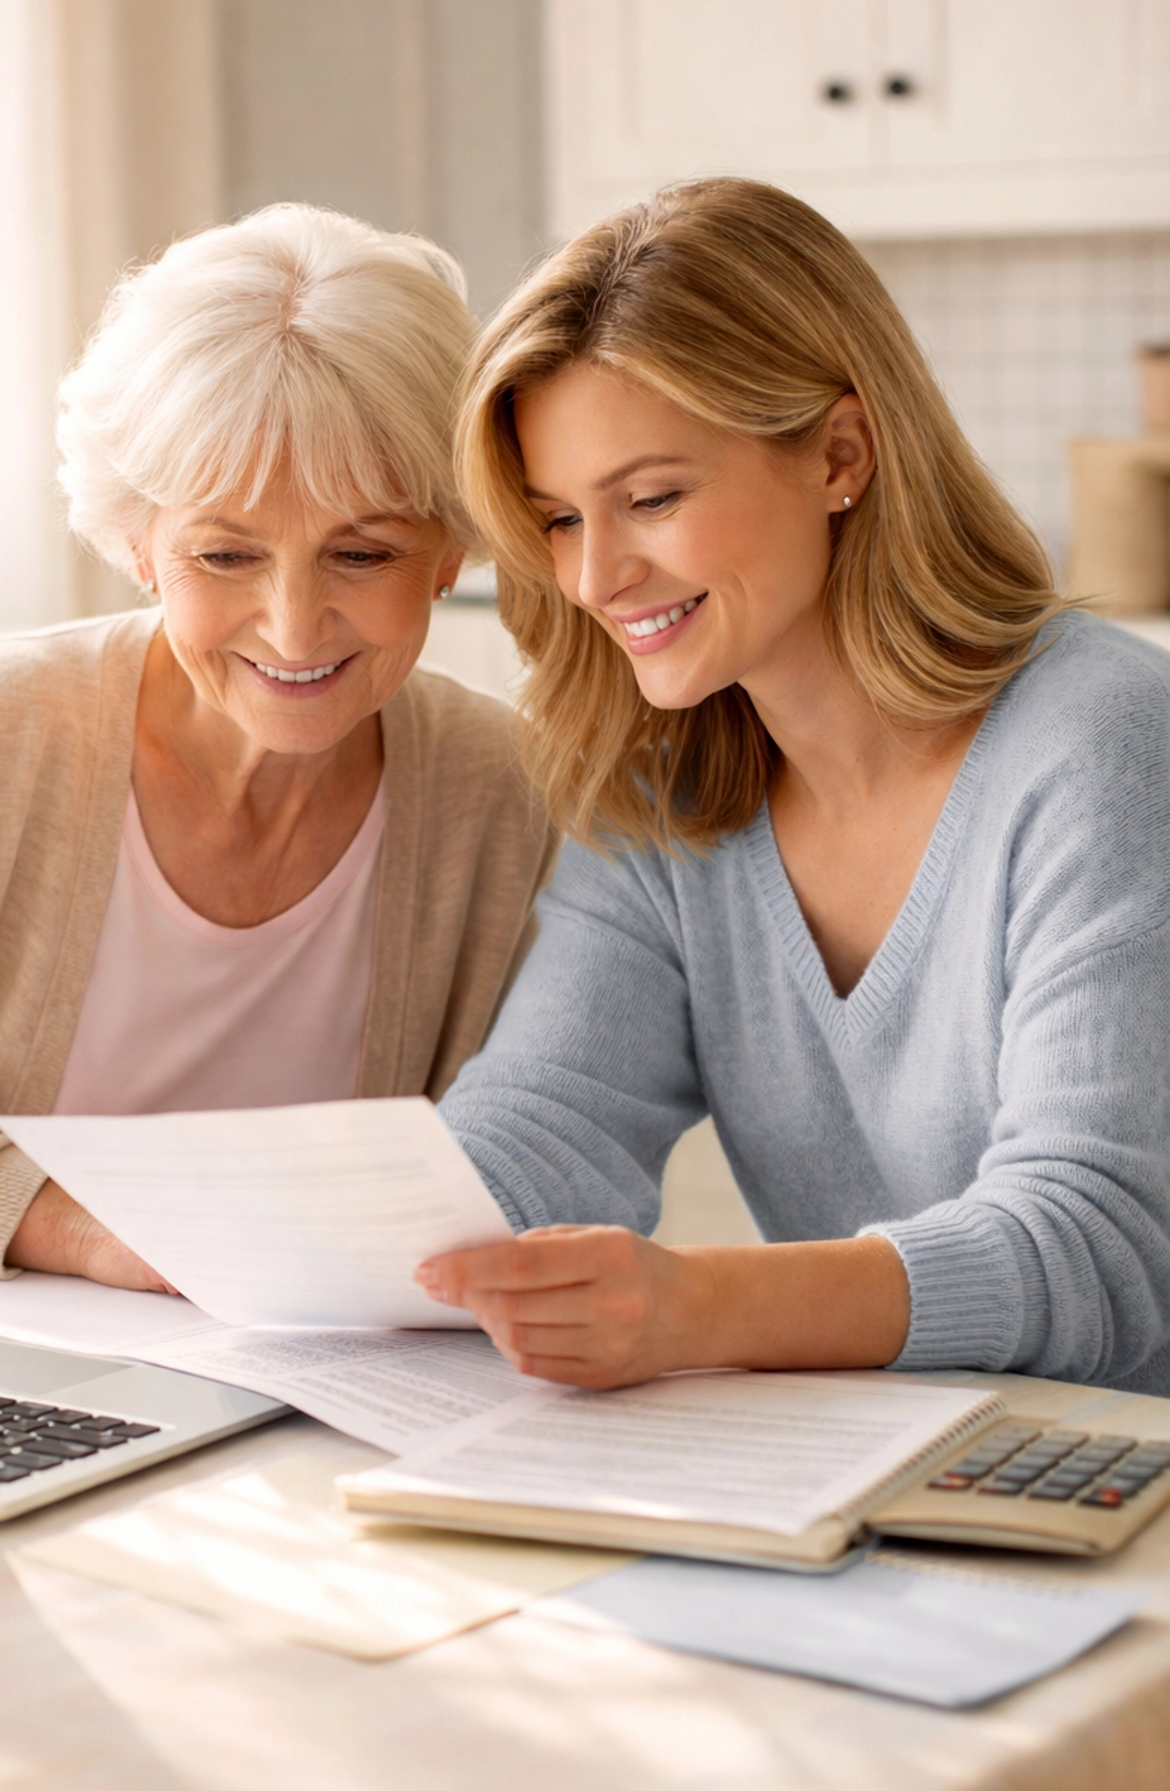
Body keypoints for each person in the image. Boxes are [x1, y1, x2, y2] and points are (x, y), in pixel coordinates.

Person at [0, 205, 557, 1288]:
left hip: (312, 1412)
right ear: (140, 545)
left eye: (362, 554)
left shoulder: (502, 795)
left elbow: (535, 1171)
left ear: (452, 550)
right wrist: (81, 1229)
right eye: (226, 555)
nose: (292, 624)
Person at [420, 176, 1170, 1396]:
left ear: (839, 453)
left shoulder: (1107, 751)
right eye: (558, 520)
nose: (598, 575)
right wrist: (321, 1243)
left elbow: (1097, 1243)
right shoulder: (660, 802)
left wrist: (698, 1304)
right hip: (887, 1478)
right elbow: (544, 1127)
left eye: (651, 498)